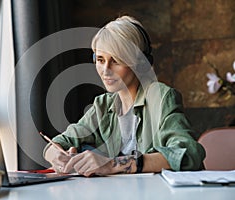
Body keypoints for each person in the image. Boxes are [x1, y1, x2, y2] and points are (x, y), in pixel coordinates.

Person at [43, 15, 205, 177]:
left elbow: (188, 153)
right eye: (100, 59)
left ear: (141, 64)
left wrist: (113, 164)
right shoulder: (103, 105)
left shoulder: (161, 97)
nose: (105, 70)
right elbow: (62, 141)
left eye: (116, 61)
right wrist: (56, 156)